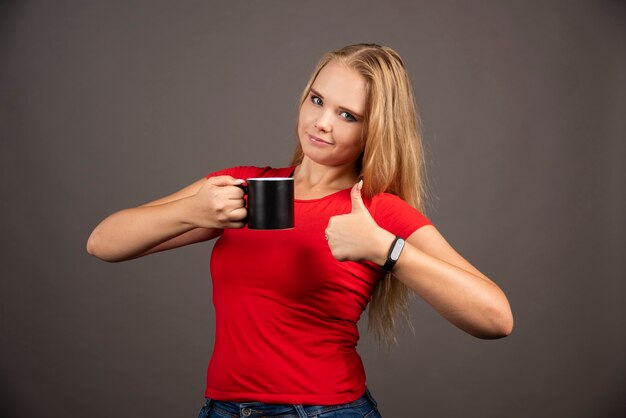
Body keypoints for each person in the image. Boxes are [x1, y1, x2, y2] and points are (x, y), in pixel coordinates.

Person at [87, 43, 513, 418]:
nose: (322, 122)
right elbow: (103, 243)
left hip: (323, 412)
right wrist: (191, 210)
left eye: (347, 115)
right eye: (316, 100)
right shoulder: (245, 188)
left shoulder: (375, 211)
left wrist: (385, 248)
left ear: (374, 131)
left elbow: (496, 318)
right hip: (222, 409)